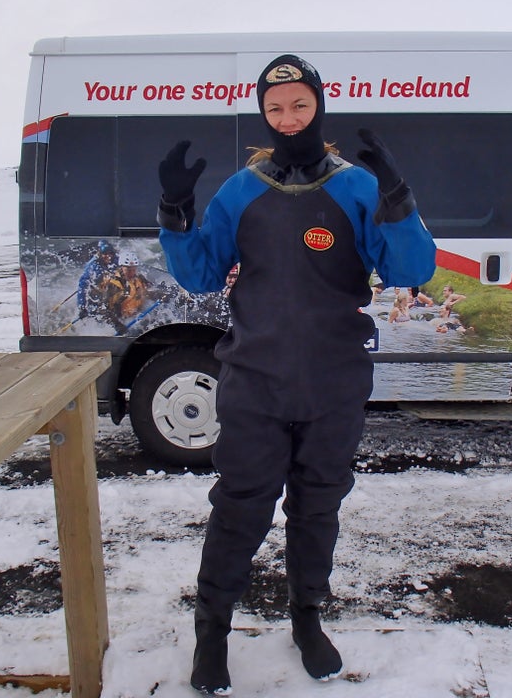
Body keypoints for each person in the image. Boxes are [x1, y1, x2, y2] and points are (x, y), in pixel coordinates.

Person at [156, 54, 436, 695]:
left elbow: (409, 271)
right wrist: (174, 209)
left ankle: (307, 618)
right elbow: (200, 274)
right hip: (254, 381)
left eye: (298, 104)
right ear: (264, 114)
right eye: (274, 107)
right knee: (239, 511)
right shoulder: (242, 190)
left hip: (333, 383)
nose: (286, 117)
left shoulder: (357, 186)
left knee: (317, 509)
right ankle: (212, 631)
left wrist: (399, 202)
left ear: (318, 107)